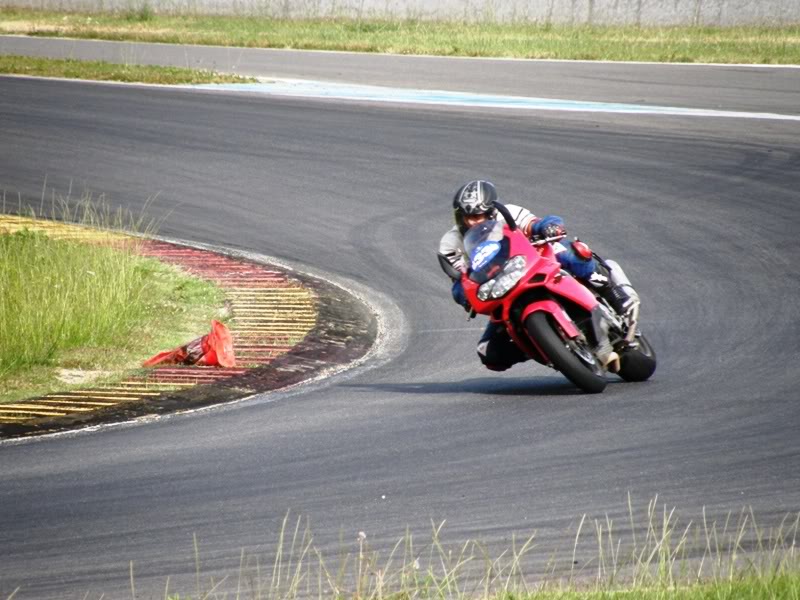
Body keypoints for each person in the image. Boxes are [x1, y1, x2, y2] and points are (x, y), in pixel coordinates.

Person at [437, 179, 639, 373]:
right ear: (459, 217)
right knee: (489, 353)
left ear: (491, 212)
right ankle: (548, 348)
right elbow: (459, 280)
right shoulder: (450, 244)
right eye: (468, 217)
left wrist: (548, 226)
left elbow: (536, 223)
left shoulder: (508, 213)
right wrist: (463, 295)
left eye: (479, 216)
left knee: (574, 255)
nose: (474, 222)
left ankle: (617, 299)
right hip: (502, 289)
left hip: (537, 261)